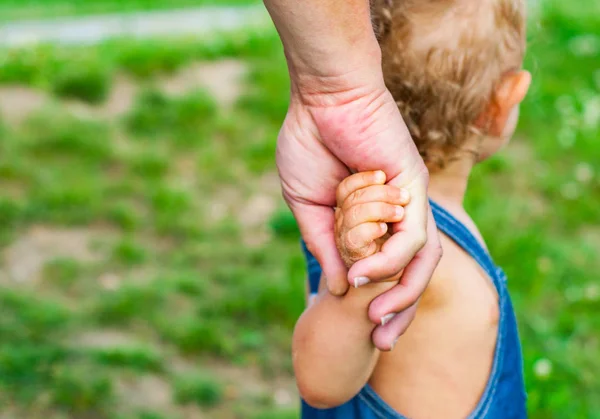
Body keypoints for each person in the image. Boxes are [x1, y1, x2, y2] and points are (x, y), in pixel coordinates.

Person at [294, 0, 531, 417]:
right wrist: (368, 282)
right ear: (502, 104)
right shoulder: (395, 245)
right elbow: (320, 383)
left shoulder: (355, 215)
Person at [262, 0, 443, 351]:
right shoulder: (380, 234)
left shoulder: (367, 218)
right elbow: (321, 383)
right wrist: (370, 271)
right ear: (502, 103)